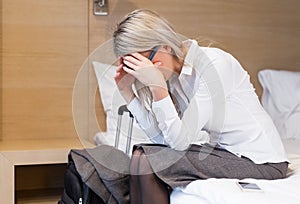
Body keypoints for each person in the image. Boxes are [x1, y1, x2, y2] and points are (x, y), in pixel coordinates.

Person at [112, 9, 288, 204]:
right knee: (141, 155)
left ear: (166, 46)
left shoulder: (214, 66)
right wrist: (128, 93)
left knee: (146, 159)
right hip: (226, 153)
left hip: (261, 161)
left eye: (145, 62)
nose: (144, 72)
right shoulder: (174, 79)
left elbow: (179, 143)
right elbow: (165, 140)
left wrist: (157, 88)